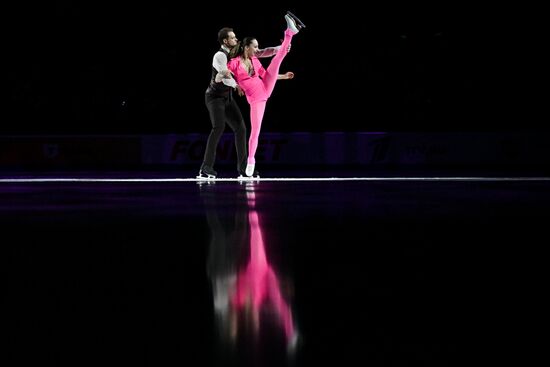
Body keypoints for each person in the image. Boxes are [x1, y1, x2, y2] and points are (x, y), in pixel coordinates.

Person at [198, 27, 286, 179]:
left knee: (241, 128)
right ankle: (205, 168)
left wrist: (281, 47)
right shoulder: (220, 56)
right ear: (225, 41)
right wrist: (236, 85)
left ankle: (244, 169)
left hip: (227, 97)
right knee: (218, 127)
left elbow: (260, 52)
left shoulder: (238, 53)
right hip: (214, 97)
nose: (236, 39)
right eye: (233, 38)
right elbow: (224, 76)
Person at [227, 12, 305, 177]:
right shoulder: (234, 63)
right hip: (256, 99)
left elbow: (266, 73)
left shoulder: (255, 60)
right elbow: (225, 74)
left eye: (257, 47)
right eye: (254, 47)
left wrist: (283, 76)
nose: (257, 49)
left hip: (265, 86)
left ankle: (289, 33)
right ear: (246, 47)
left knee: (278, 58)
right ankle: (251, 160)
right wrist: (233, 84)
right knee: (255, 131)